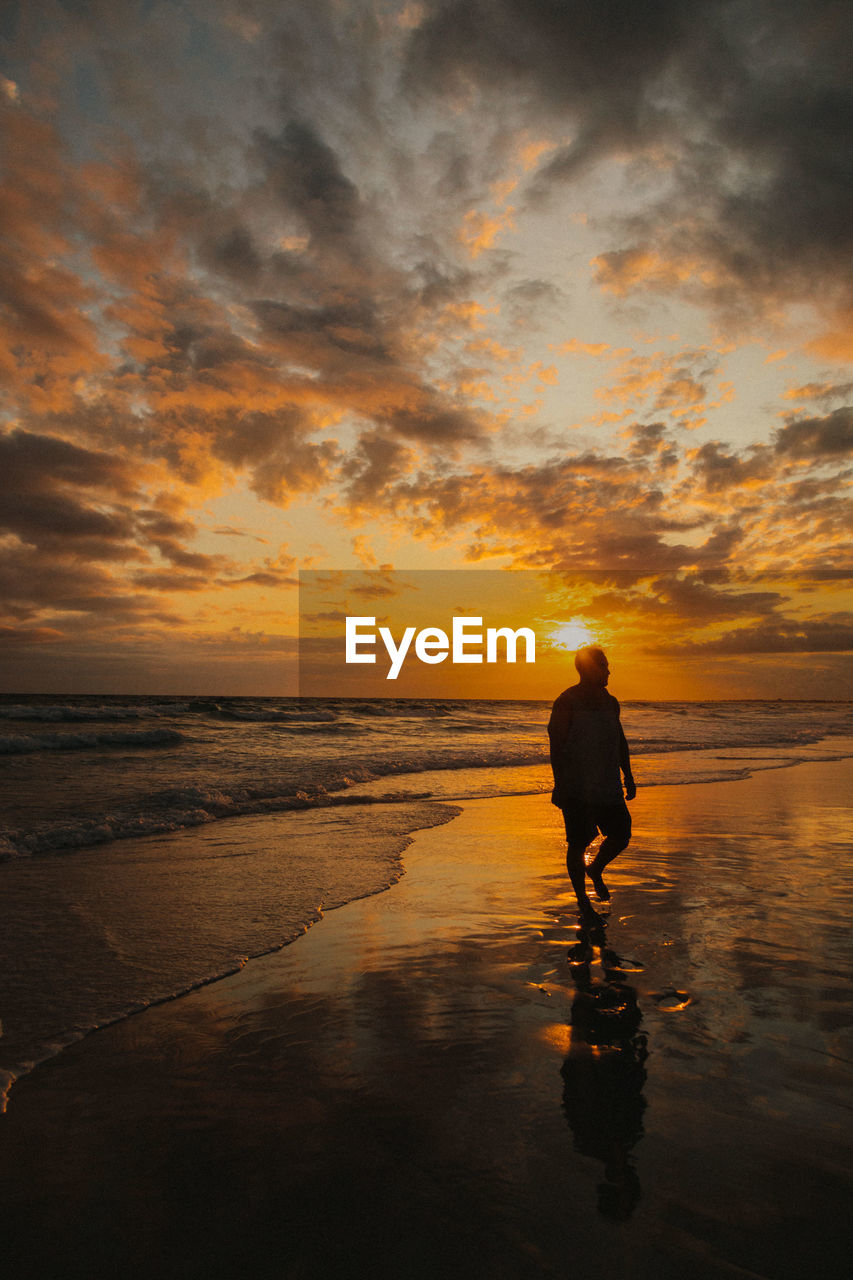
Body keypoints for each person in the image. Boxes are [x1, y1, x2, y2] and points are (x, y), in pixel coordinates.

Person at [548, 646, 636, 914]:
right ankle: (582, 900)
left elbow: (620, 740)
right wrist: (560, 784)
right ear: (590, 669)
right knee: (578, 843)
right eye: (605, 666)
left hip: (608, 783)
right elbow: (556, 744)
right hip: (577, 786)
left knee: (622, 833)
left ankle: (596, 868)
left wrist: (628, 774)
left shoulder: (611, 702)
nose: (609, 670)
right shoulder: (567, 701)